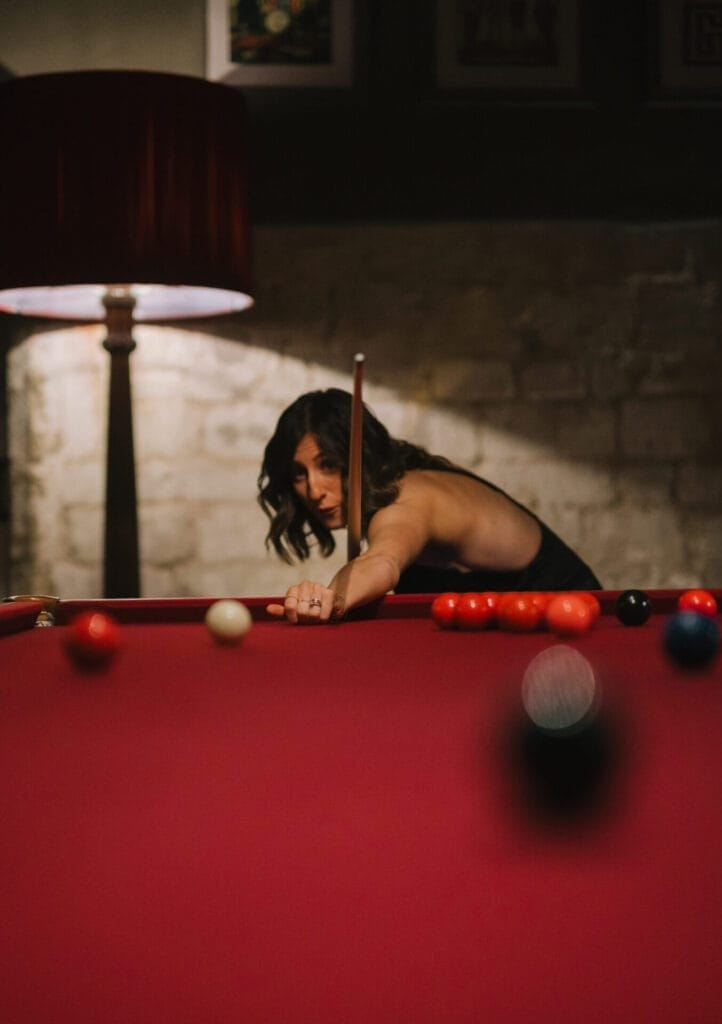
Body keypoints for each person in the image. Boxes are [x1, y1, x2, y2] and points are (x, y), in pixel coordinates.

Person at [258, 389, 601, 624]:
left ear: (359, 456)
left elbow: (383, 560)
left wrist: (328, 599)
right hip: (518, 628)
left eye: (329, 465)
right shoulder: (396, 482)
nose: (315, 490)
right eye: (299, 474)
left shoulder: (406, 500)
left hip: (569, 616)